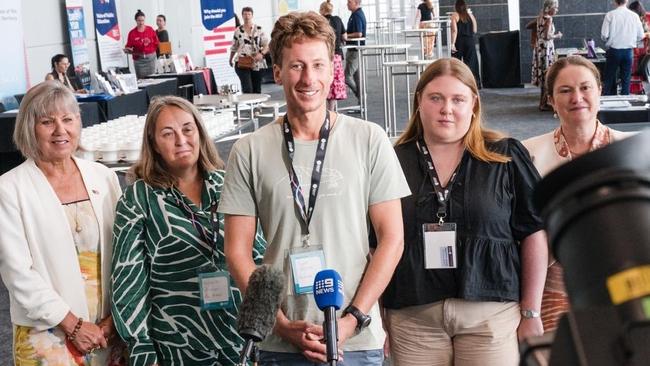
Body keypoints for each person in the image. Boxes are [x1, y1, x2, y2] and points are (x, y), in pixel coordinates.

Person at [220, 11, 410, 365]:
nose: (309, 78)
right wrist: (278, 324)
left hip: (355, 339)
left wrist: (353, 318)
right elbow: (237, 252)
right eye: (296, 66)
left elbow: (392, 239)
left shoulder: (369, 139)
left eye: (318, 65)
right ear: (276, 71)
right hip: (281, 343)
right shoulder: (248, 150)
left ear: (333, 68)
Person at [381, 58, 547, 365]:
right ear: (419, 101)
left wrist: (531, 311)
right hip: (413, 318)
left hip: (490, 316)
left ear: (473, 104)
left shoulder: (505, 156)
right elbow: (374, 244)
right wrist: (377, 315)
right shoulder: (391, 160)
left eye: (458, 99)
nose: (447, 108)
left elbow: (535, 232)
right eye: (436, 98)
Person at [110, 96, 266, 364]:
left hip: (240, 340)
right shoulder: (138, 199)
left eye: (187, 129)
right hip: (177, 347)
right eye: (167, 134)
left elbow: (259, 256)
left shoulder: (229, 183)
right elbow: (128, 283)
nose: (181, 140)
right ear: (154, 144)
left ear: (200, 133)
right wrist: (142, 349)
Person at [0, 81, 125, 364]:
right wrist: (73, 325)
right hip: (47, 332)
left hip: (107, 329)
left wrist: (114, 319)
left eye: (68, 119)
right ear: (29, 129)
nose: (61, 130)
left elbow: (125, 254)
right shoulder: (9, 189)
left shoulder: (103, 177)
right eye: (47, 122)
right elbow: (17, 273)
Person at [523, 56, 635, 332]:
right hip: (551, 287)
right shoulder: (526, 154)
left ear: (600, 91)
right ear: (550, 100)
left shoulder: (632, 150)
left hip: (624, 279)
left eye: (585, 88)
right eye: (565, 90)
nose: (577, 97)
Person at [601, 0, 644, 95]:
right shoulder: (634, 16)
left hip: (613, 51)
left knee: (609, 78)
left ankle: (607, 102)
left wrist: (610, 39)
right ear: (627, 1)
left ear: (614, 2)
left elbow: (604, 35)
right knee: (626, 79)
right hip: (628, 52)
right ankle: (625, 104)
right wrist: (632, 41)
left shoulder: (610, 15)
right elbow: (641, 35)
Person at [229, 7, 270, 94]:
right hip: (242, 62)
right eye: (245, 14)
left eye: (249, 14)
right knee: (247, 88)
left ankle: (257, 107)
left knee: (257, 88)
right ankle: (249, 106)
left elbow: (267, 45)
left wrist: (261, 54)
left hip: (257, 63)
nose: (247, 16)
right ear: (242, 16)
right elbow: (234, 46)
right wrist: (231, 58)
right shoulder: (238, 30)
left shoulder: (259, 29)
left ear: (252, 15)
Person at [532, 0, 562, 110]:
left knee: (544, 76)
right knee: (547, 76)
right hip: (546, 49)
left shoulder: (540, 16)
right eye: (556, 7)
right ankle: (543, 104)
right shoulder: (548, 19)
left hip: (540, 49)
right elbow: (547, 36)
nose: (557, 10)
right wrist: (557, 35)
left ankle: (543, 102)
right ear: (550, 8)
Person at [320, 0, 347, 111]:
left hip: (324, 55)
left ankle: (326, 110)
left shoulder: (321, 22)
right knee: (334, 83)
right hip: (337, 55)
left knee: (324, 81)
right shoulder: (338, 19)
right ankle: (332, 111)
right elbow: (345, 37)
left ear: (322, 10)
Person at [450, 0, 481, 88]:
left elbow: (454, 31)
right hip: (470, 41)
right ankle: (474, 84)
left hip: (459, 41)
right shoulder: (470, 15)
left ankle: (456, 83)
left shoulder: (455, 15)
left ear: (456, 6)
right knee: (472, 62)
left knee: (456, 62)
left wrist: (452, 44)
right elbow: (475, 30)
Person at [124, 9, 159, 79]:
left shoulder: (150, 29)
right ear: (136, 20)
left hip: (150, 59)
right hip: (139, 60)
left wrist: (150, 41)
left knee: (152, 79)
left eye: (143, 20)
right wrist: (128, 49)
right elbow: (128, 46)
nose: (141, 22)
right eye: (139, 20)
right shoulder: (132, 33)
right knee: (141, 80)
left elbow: (157, 42)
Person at [345, 0, 367, 106]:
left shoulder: (357, 15)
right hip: (355, 49)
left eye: (349, 2)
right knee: (356, 77)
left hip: (355, 50)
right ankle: (361, 102)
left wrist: (345, 36)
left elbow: (359, 33)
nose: (347, 4)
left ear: (356, 2)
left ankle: (360, 95)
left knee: (347, 77)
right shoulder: (355, 14)